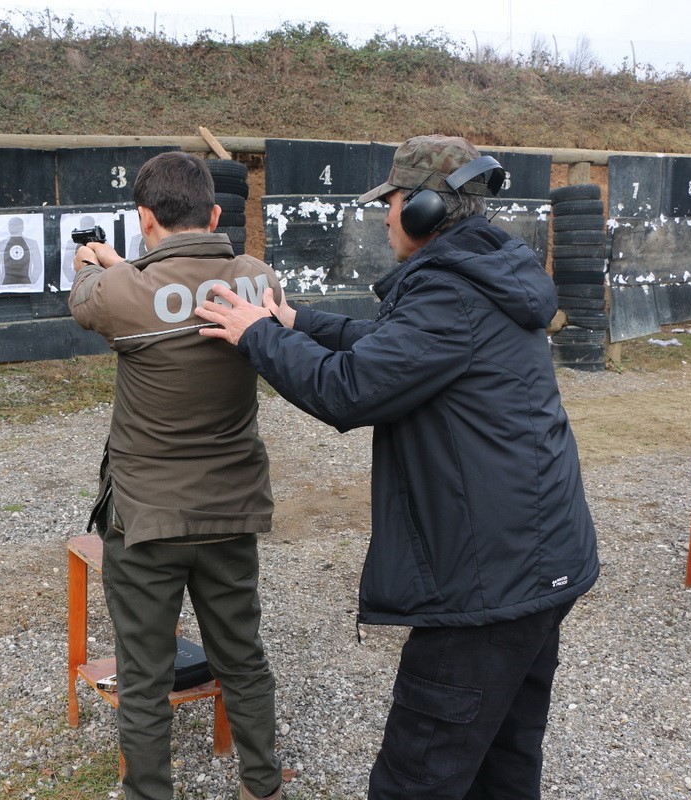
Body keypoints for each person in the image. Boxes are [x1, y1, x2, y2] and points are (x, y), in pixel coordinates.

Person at [195, 135, 600, 799]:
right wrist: (297, 322)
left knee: (417, 776)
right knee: (501, 762)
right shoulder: (481, 274)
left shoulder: (449, 293)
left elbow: (349, 389)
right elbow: (393, 350)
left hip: (485, 587)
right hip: (535, 565)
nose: (383, 217)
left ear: (423, 210)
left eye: (392, 203)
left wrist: (257, 336)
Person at [69, 151, 284, 800]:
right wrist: (126, 264)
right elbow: (184, 283)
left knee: (143, 673)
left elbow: (88, 302)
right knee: (242, 656)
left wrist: (92, 264)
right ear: (215, 214)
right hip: (230, 509)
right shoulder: (257, 277)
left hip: (147, 519)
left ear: (143, 219)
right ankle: (263, 785)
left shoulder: (119, 291)